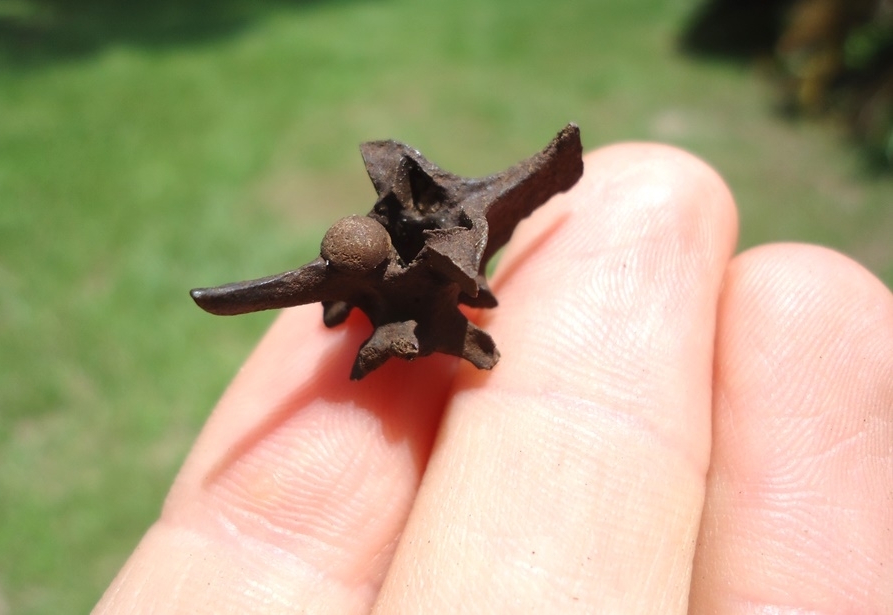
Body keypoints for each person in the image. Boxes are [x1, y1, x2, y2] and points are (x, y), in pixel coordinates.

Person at [94, 144, 893, 613]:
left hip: (449, 262)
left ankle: (542, 189)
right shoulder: (370, 255)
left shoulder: (441, 242)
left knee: (531, 190)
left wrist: (452, 320)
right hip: (423, 282)